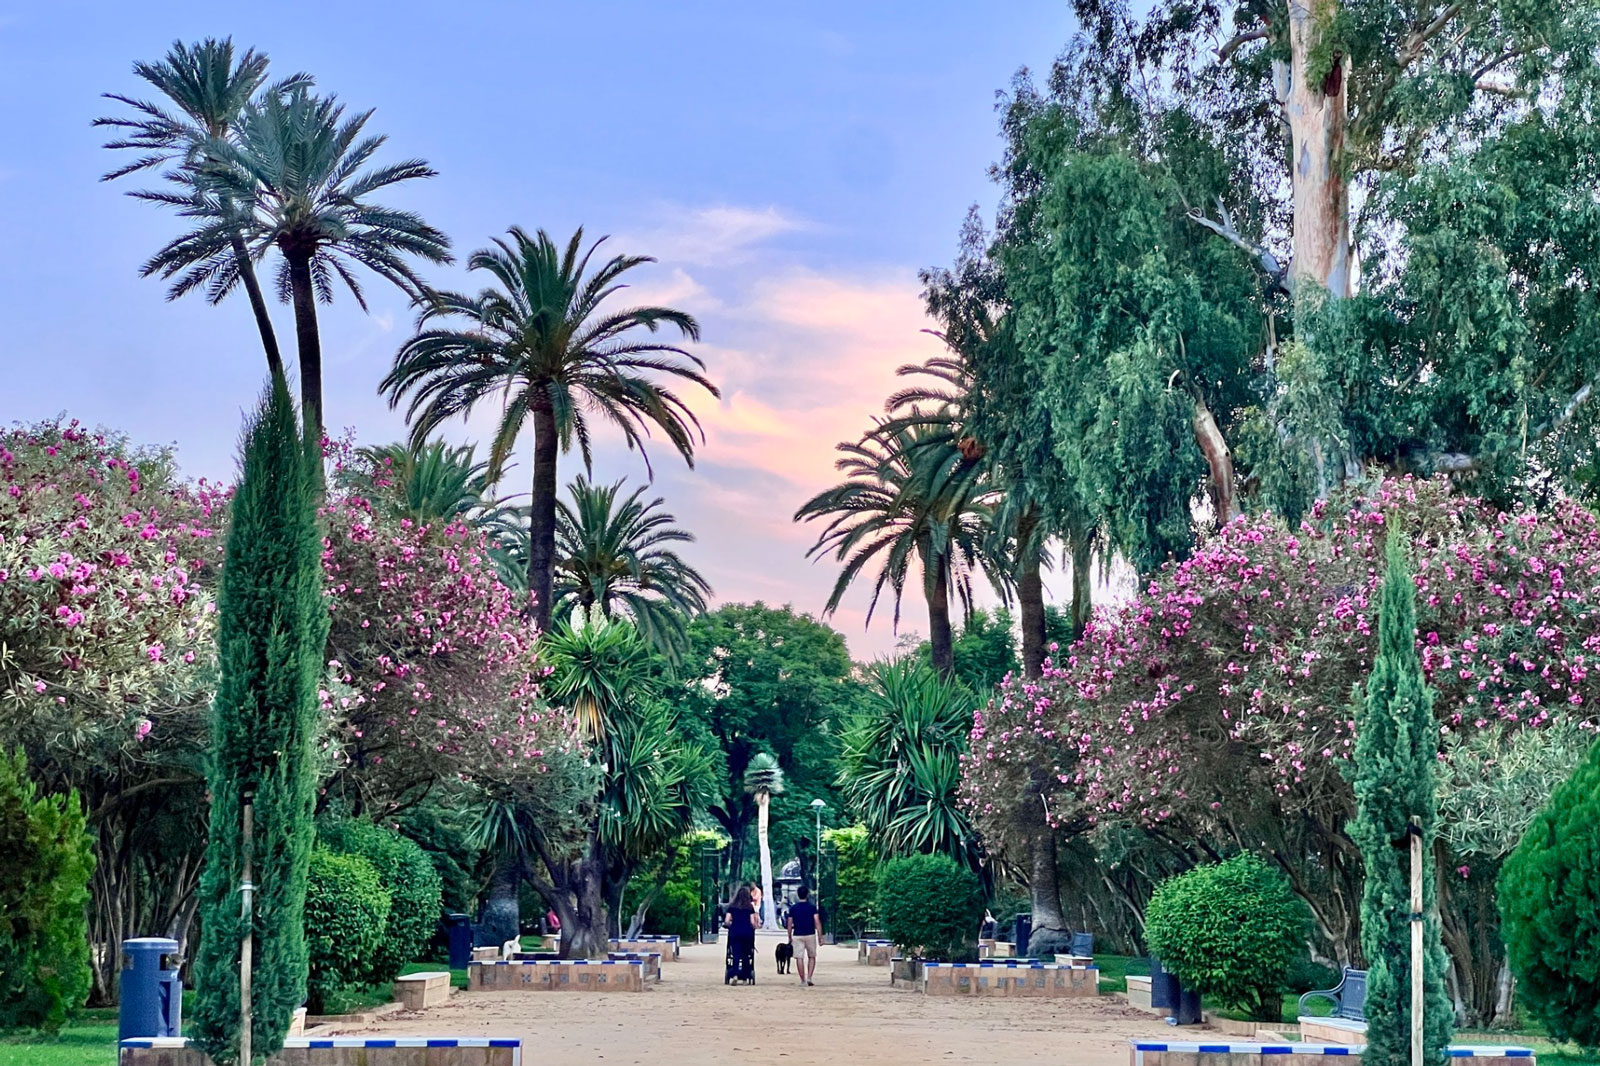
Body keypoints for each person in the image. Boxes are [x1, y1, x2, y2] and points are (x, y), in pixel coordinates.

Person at [786, 885, 822, 986]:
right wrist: (820, 936)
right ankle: (809, 977)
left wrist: (789, 935)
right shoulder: (812, 908)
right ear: (807, 895)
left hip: (798, 934)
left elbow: (789, 923)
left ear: (798, 895)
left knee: (799, 957)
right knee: (812, 956)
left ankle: (802, 980)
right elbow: (817, 922)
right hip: (810, 933)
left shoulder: (793, 909)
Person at [723, 884, 758, 983]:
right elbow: (752, 922)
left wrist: (729, 925)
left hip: (735, 933)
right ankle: (746, 976)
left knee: (736, 954)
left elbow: (727, 921)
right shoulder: (749, 907)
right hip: (747, 933)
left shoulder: (732, 907)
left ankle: (734, 974)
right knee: (746, 954)